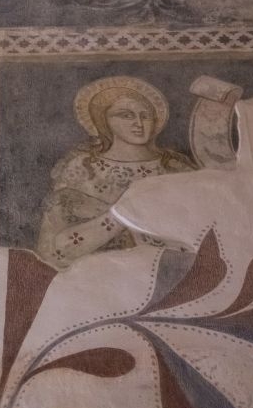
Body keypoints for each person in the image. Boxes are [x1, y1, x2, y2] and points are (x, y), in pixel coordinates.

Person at [36, 76, 196, 269]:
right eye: (126, 115)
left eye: (145, 116)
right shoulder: (82, 167)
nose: (138, 123)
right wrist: (118, 219)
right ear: (103, 120)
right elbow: (52, 251)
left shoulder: (175, 167)